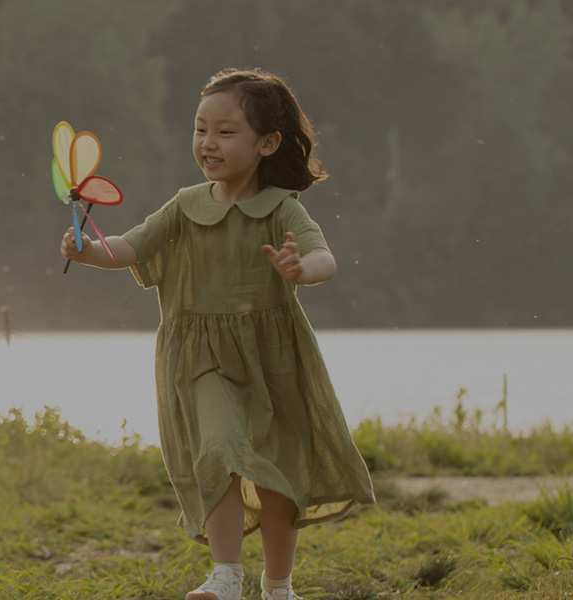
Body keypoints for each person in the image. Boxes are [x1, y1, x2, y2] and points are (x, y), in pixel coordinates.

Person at [59, 68, 376, 600]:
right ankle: (225, 575)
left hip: (274, 359)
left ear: (267, 143)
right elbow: (131, 247)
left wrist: (302, 269)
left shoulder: (281, 208)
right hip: (201, 358)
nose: (208, 142)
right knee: (219, 451)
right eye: (200, 128)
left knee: (278, 476)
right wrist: (88, 250)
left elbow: (324, 257)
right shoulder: (185, 206)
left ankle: (278, 586)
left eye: (226, 132)